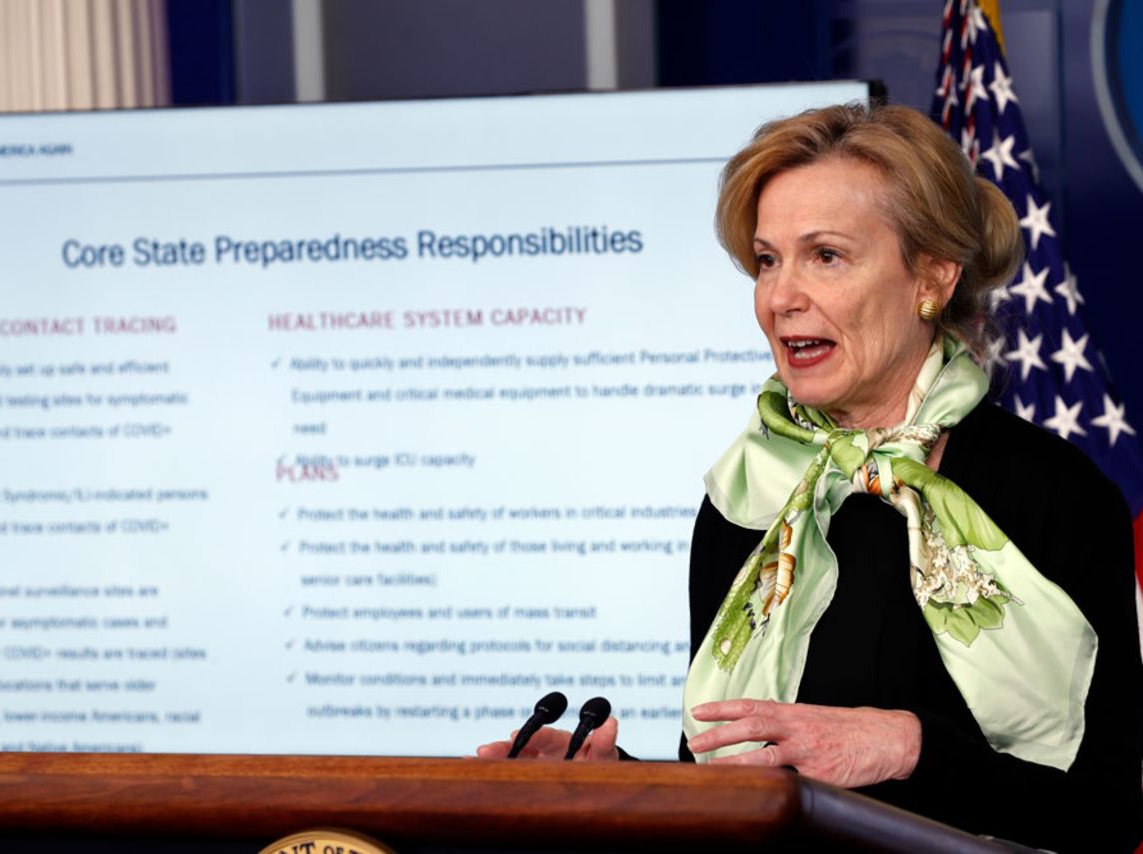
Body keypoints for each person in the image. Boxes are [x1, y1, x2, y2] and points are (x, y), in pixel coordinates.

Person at [476, 103, 1143, 851]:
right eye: (767, 260)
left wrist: (910, 748)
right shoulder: (749, 493)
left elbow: (1108, 817)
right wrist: (623, 781)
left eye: (824, 255)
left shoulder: (1056, 495)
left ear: (932, 276)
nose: (779, 296)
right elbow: (740, 790)